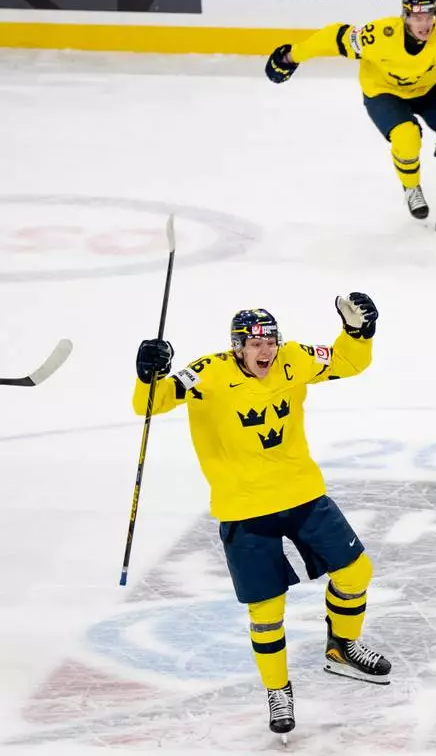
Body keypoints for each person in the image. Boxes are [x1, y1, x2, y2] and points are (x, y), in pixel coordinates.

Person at [131, 294, 389, 738]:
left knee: (356, 571)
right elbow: (151, 404)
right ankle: (278, 689)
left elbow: (348, 362)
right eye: (254, 344)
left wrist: (357, 333)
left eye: (270, 340)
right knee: (266, 611)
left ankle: (342, 646)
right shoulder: (207, 373)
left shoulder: (294, 359)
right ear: (237, 348)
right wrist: (147, 374)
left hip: (302, 493)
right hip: (245, 508)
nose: (265, 350)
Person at [265, 0, 436, 220]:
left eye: (429, 15)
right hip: (384, 93)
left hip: (429, 92)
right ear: (405, 16)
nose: (425, 24)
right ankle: (411, 187)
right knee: (406, 138)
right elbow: (335, 37)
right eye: (417, 17)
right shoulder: (379, 34)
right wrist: (291, 55)